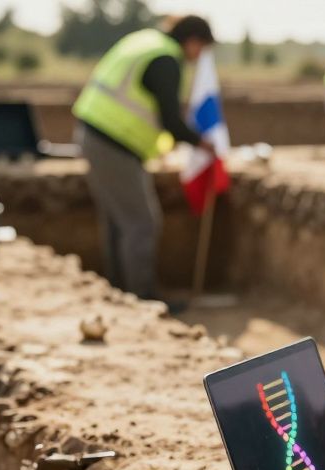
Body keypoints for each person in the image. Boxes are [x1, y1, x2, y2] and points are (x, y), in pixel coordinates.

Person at [72, 15, 216, 302]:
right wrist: (201, 142)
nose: (198, 56)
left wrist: (158, 148)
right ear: (193, 41)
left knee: (119, 222)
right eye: (201, 48)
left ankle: (119, 294)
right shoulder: (166, 59)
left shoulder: (146, 42)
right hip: (113, 144)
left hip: (95, 136)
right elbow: (170, 120)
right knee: (141, 223)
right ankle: (143, 299)